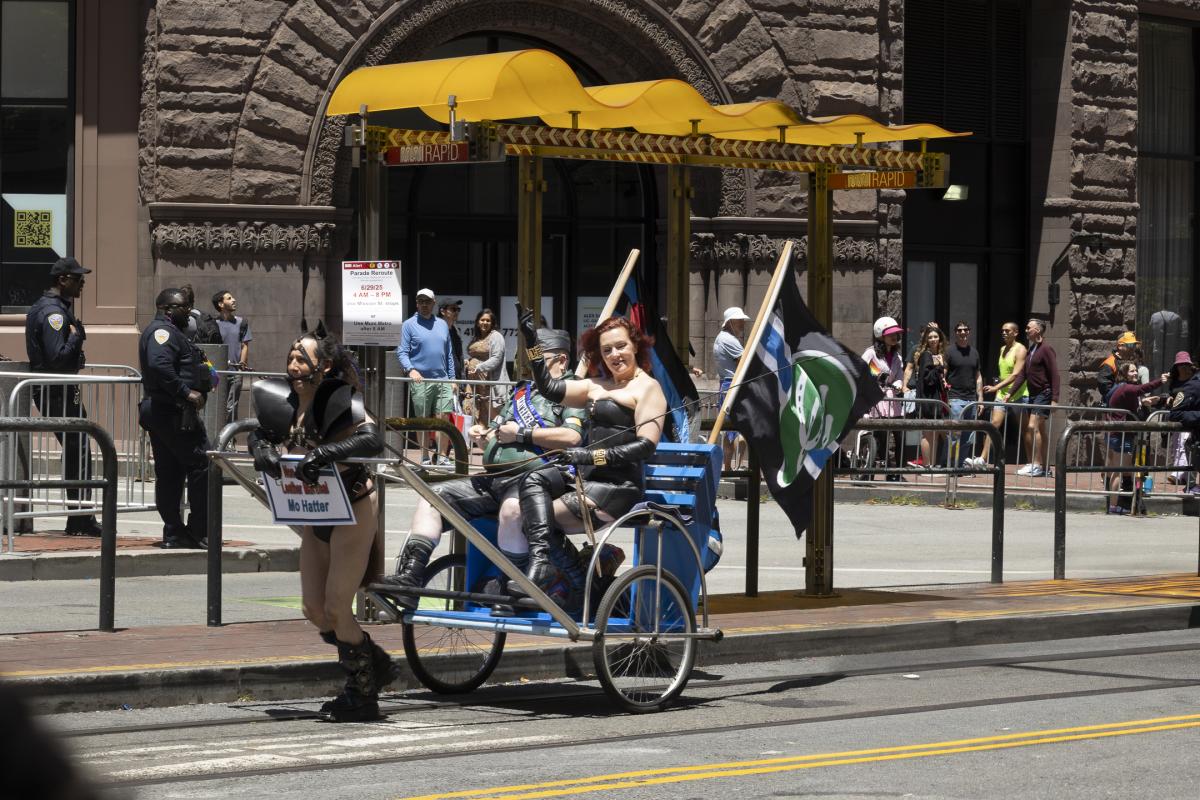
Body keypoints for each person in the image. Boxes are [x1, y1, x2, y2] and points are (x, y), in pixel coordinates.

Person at [383, 329, 587, 615]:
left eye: (538, 360)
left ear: (562, 361)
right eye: (529, 362)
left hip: (536, 480)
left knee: (512, 513)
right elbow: (500, 427)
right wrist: (485, 434)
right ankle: (411, 577)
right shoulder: (522, 391)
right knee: (433, 498)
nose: (531, 368)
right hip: (494, 478)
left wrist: (524, 434)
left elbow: (572, 437)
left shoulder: (572, 391)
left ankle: (513, 589)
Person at [247, 324, 389, 722]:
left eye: (301, 358)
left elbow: (373, 441)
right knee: (313, 607)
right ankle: (372, 662)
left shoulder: (342, 400)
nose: (293, 365)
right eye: (291, 357)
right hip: (316, 514)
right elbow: (259, 434)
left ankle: (362, 696)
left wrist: (325, 454)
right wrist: (261, 451)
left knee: (337, 605)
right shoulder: (285, 401)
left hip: (353, 508)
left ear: (323, 366)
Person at [509, 307, 668, 612]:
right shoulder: (598, 385)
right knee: (533, 479)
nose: (615, 355)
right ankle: (549, 570)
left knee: (536, 520)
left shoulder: (648, 388)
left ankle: (577, 584)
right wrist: (533, 344)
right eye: (607, 350)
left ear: (635, 345)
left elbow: (645, 446)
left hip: (619, 487)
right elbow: (549, 388)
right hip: (586, 480)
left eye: (621, 346)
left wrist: (588, 454)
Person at [24, 256, 103, 537]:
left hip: (59, 389)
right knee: (78, 449)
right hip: (56, 391)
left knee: (78, 450)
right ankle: (80, 519)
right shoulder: (53, 313)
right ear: (62, 280)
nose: (82, 283)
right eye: (78, 278)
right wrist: (76, 337)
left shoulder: (53, 308)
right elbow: (57, 358)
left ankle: (80, 518)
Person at [137, 288, 214, 549]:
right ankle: (197, 530)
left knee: (170, 472)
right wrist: (187, 392)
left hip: (167, 411)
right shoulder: (162, 333)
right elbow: (160, 366)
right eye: (184, 307)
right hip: (170, 411)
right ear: (167, 309)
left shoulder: (173, 333)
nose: (189, 312)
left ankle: (175, 533)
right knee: (202, 465)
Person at [396, 288, 456, 467]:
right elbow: (402, 352)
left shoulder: (442, 324)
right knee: (422, 419)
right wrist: (411, 369)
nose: (424, 305)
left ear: (433, 303)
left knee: (443, 419)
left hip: (443, 379)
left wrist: (453, 378)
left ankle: (442, 457)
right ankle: (423, 457)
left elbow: (449, 354)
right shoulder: (408, 324)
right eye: (420, 301)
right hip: (420, 380)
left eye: (427, 301)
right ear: (416, 303)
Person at [1104, 361, 1166, 513]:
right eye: (1131, 371)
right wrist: (1160, 380)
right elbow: (1142, 388)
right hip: (1121, 435)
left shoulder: (1118, 388)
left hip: (1113, 433)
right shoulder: (1126, 387)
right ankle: (1113, 506)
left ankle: (1113, 503)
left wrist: (1144, 402)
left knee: (1114, 470)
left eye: (1135, 371)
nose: (1135, 374)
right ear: (1124, 374)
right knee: (1119, 470)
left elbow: (1126, 401)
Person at [977, 321, 1029, 467]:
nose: (1004, 333)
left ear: (1016, 333)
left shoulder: (1021, 349)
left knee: (1025, 429)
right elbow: (1003, 374)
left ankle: (1033, 463)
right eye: (1003, 331)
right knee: (993, 425)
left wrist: (995, 387)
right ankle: (982, 458)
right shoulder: (1002, 349)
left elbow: (1015, 375)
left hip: (1018, 394)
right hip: (1002, 394)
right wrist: (998, 390)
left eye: (1008, 331)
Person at [861, 316, 905, 479]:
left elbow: (899, 375)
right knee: (881, 437)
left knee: (899, 435)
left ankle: (897, 472)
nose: (895, 337)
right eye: (891, 334)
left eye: (896, 334)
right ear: (881, 335)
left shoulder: (897, 356)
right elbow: (860, 371)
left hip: (892, 400)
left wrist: (899, 383)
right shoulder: (870, 353)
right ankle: (879, 470)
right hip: (877, 399)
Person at [1019, 318, 1059, 477]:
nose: (1026, 330)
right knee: (1040, 430)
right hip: (1033, 395)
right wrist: (1009, 393)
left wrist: (1055, 398)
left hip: (1044, 393)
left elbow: (1055, 374)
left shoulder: (1046, 349)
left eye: (1029, 328)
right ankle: (1045, 467)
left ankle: (1036, 464)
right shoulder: (1032, 350)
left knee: (1032, 427)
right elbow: (1023, 375)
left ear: (1038, 330)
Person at [713, 306, 750, 470]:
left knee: (730, 428)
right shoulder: (729, 340)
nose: (742, 323)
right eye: (739, 320)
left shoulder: (724, 338)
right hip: (733, 385)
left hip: (729, 384)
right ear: (730, 322)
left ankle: (729, 466)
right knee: (730, 428)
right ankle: (729, 466)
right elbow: (745, 361)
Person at [909, 325, 948, 468]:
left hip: (936, 398)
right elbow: (928, 379)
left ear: (940, 339)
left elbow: (938, 379)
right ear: (926, 339)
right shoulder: (926, 355)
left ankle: (932, 464)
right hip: (928, 398)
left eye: (935, 337)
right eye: (930, 337)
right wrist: (938, 367)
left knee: (935, 432)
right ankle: (927, 465)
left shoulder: (938, 355)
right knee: (928, 434)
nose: (933, 339)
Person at [945, 320, 983, 466]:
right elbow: (944, 373)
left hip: (971, 400)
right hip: (955, 398)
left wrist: (980, 398)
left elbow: (978, 376)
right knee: (954, 434)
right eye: (959, 330)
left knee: (968, 436)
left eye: (965, 330)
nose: (962, 333)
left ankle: (959, 465)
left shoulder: (974, 352)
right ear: (955, 333)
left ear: (969, 332)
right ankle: (949, 465)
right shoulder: (949, 351)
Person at [212, 289, 252, 423]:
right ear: (221, 304)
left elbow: (244, 345)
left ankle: (229, 439)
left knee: (231, 407)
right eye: (229, 298)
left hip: (235, 372)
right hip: (218, 372)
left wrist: (241, 366)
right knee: (218, 406)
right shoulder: (213, 324)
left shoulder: (242, 323)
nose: (234, 300)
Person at [465, 307, 509, 427]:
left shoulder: (496, 336)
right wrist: (469, 362)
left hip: (488, 382)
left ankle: (491, 440)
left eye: (488, 320)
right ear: (478, 322)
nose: (485, 323)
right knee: (470, 409)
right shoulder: (477, 337)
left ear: (492, 323)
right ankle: (473, 440)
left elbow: (496, 358)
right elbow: (476, 355)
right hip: (473, 382)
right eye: (482, 320)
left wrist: (479, 367)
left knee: (489, 412)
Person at [1166, 351, 1200, 493]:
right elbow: (1176, 413)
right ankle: (1190, 484)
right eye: (1181, 365)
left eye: (1186, 365)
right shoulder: (1192, 386)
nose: (1184, 368)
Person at [1096, 331, 1140, 404]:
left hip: (1129, 403)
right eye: (1131, 345)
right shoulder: (1109, 363)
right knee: (1122, 385)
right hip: (1115, 405)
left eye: (1135, 345)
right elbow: (1105, 389)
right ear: (1120, 346)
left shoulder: (1132, 362)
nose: (1133, 348)